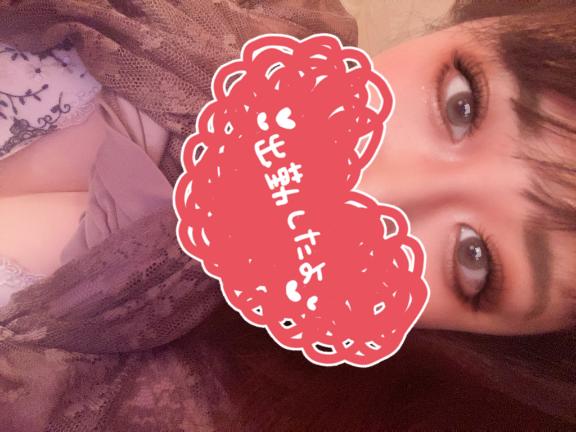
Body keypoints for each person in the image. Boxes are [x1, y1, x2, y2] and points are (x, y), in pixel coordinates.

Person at [0, 0, 573, 430]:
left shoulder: (186, 407)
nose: (373, 190)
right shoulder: (245, 9)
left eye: (475, 258)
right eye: (462, 104)